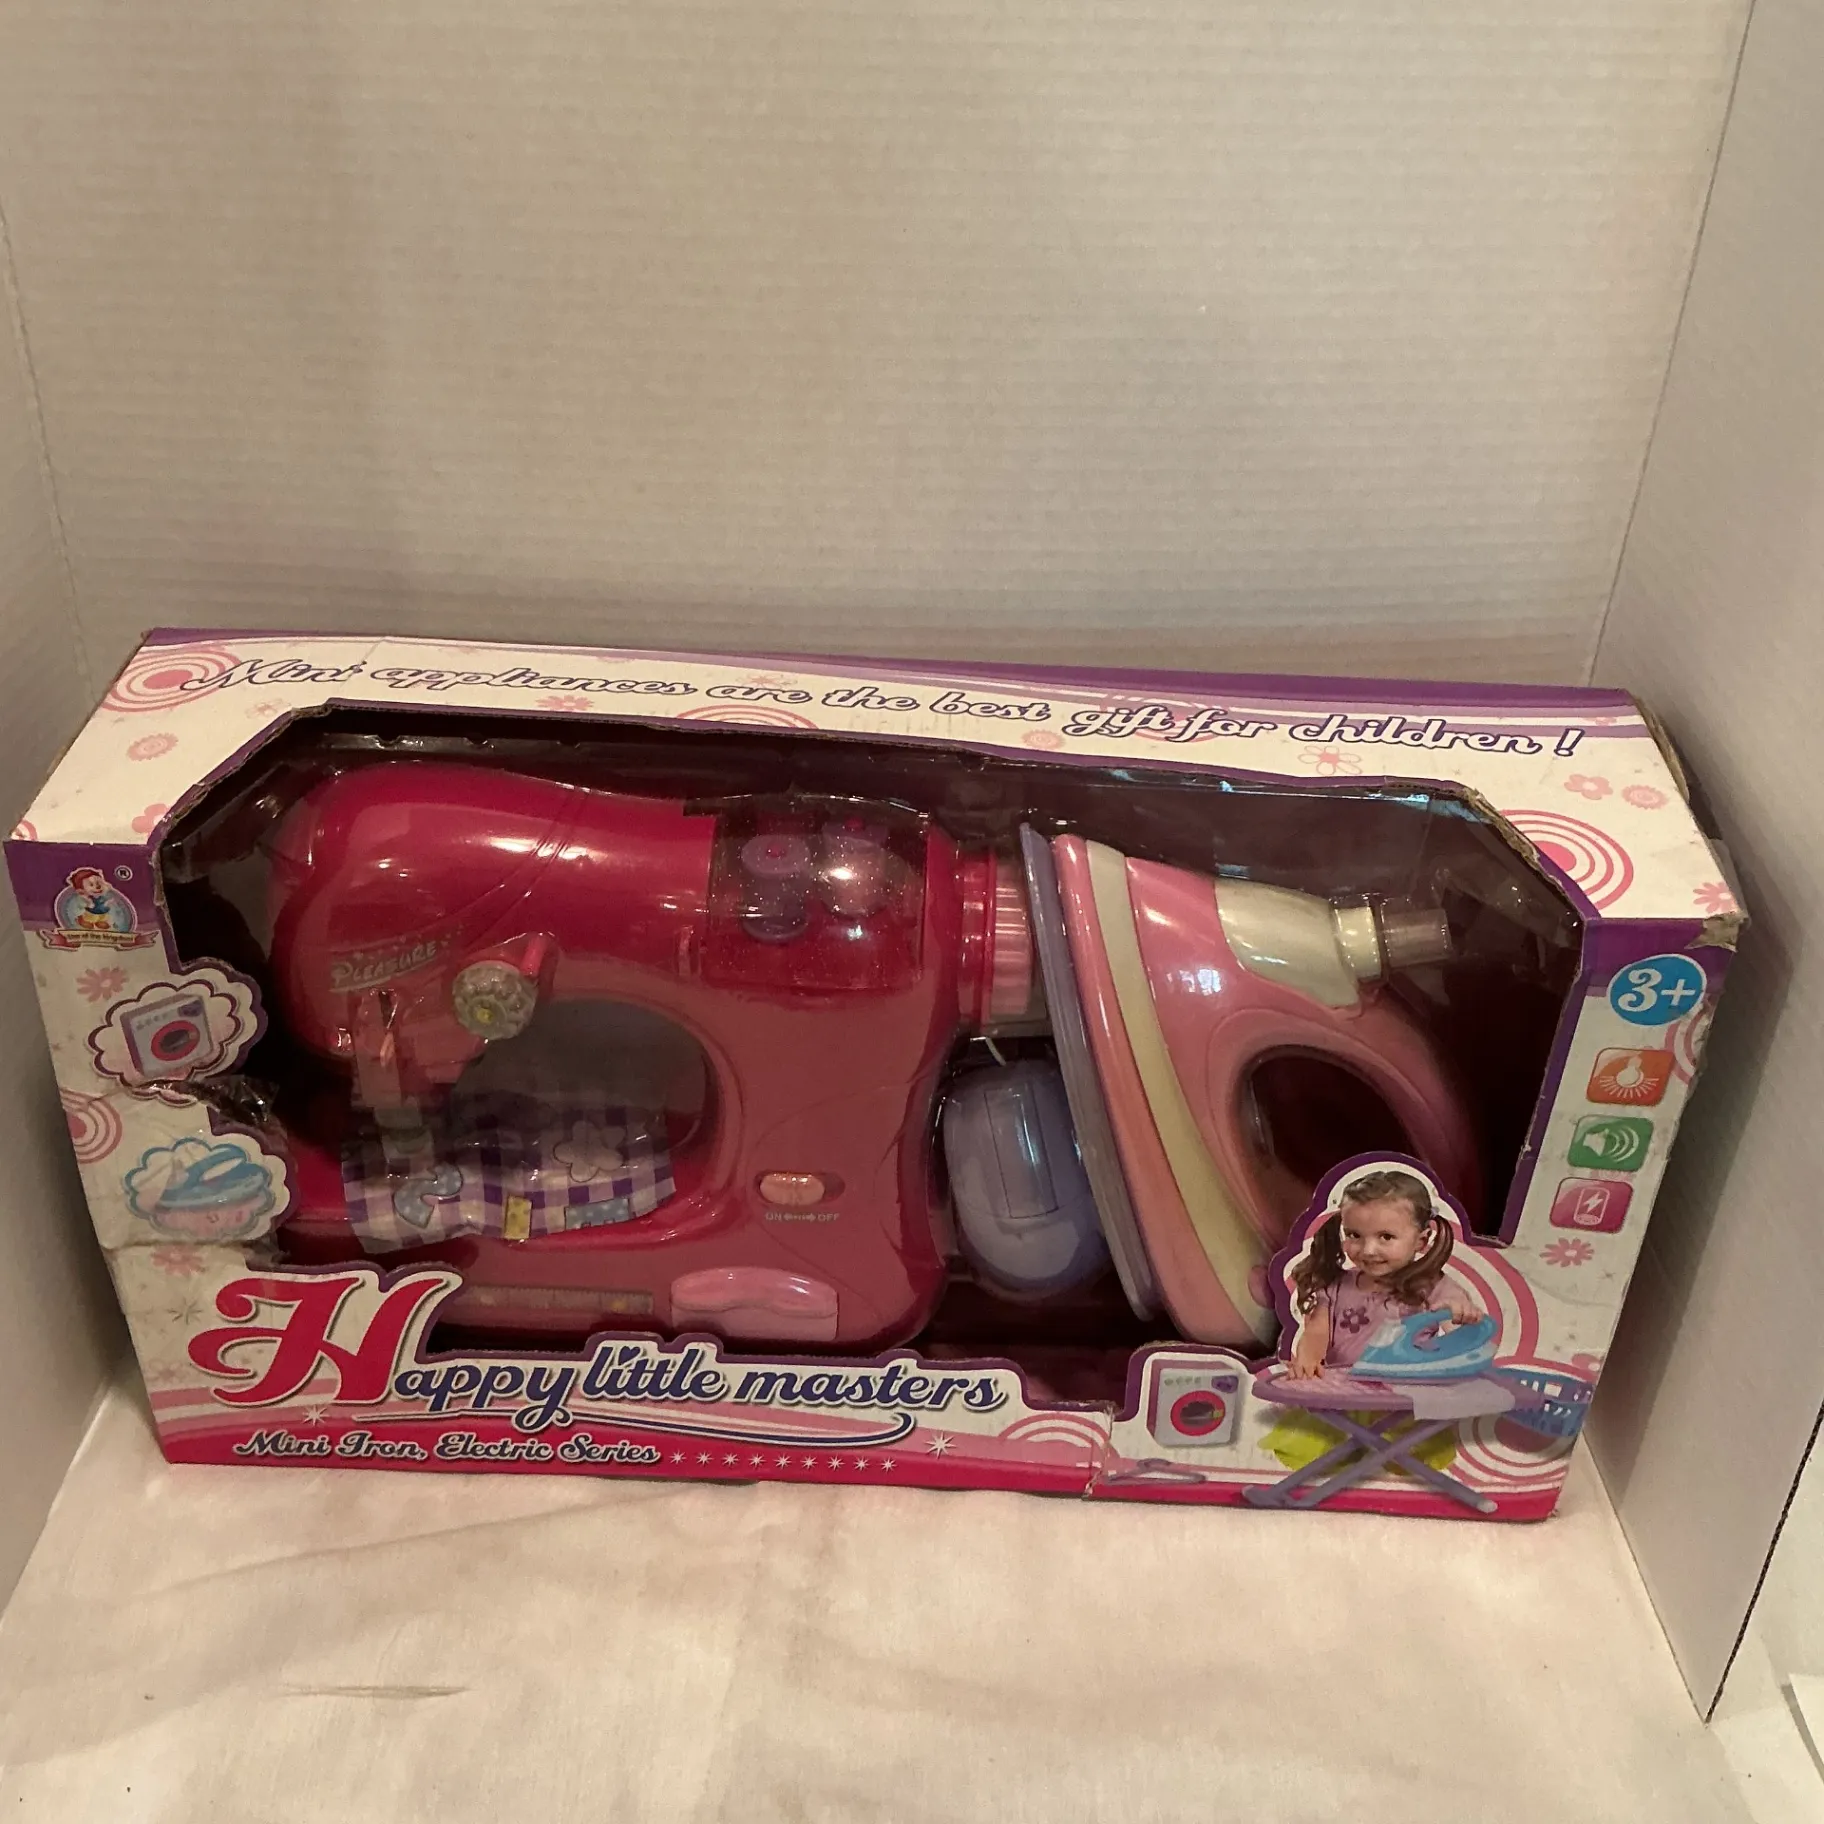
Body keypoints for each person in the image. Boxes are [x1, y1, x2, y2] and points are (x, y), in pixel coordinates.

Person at [1286, 1169, 1483, 1378]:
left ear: (1421, 1240)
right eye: (1354, 1235)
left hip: (1409, 1391)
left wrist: (1462, 1312)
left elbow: (1463, 1332)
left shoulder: (1432, 1287)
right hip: (1345, 1390)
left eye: (1386, 1237)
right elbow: (1315, 1334)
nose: (1368, 1250)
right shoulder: (1334, 1286)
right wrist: (1307, 1361)